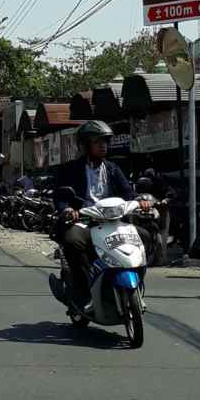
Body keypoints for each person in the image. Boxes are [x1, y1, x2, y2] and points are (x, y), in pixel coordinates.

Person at [55, 120, 135, 309]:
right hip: (84, 221)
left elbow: (128, 194)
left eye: (105, 141)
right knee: (73, 241)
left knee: (144, 236)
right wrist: (66, 209)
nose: (103, 145)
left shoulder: (113, 169)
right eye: (97, 141)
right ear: (85, 145)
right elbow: (60, 195)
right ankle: (83, 293)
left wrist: (141, 201)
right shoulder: (71, 169)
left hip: (112, 222)